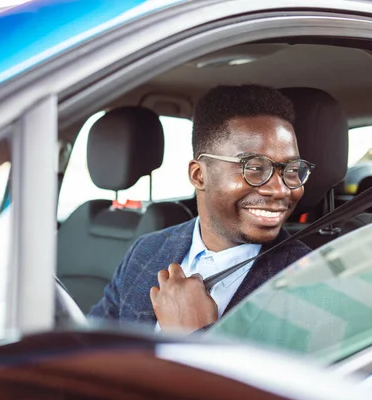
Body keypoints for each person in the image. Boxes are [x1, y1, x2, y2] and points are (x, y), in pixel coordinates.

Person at [89, 84, 312, 332]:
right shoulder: (145, 251)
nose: (281, 190)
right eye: (255, 168)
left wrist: (194, 334)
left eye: (291, 171)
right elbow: (90, 349)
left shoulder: (311, 282)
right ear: (199, 176)